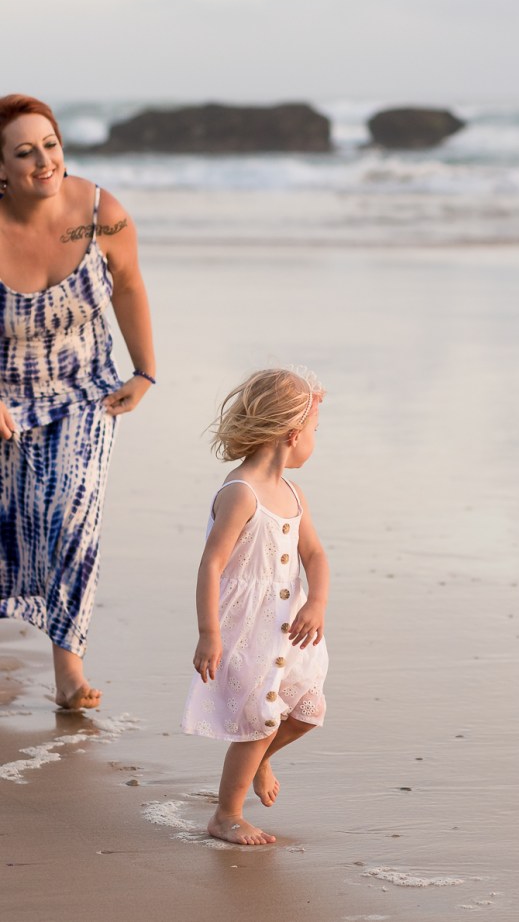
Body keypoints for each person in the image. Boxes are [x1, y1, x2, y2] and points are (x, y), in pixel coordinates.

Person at [0, 94, 156, 710]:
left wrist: (145, 371)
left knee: (71, 515)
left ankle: (68, 667)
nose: (44, 160)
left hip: (83, 391)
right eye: (24, 152)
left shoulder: (100, 212)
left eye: (51, 145)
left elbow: (131, 284)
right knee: (9, 527)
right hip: (6, 396)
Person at [182, 367, 329, 846]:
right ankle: (226, 814)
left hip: (290, 628)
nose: (314, 441)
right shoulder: (241, 492)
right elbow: (211, 564)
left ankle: (262, 758)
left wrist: (318, 602)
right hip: (246, 629)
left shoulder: (293, 493)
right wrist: (209, 632)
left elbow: (315, 555)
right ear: (291, 435)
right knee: (260, 720)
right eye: (313, 432)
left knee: (305, 711)